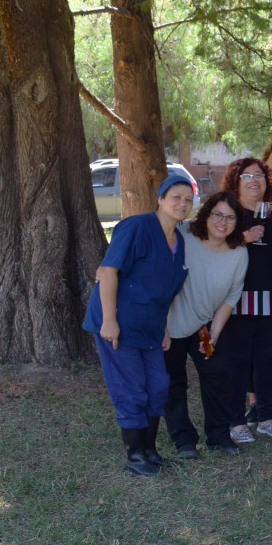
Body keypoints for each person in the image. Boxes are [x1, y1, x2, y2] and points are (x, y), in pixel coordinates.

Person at [84, 175, 193, 476]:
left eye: (188, 199)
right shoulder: (137, 227)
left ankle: (150, 451)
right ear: (160, 199)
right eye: (176, 197)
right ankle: (135, 457)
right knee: (131, 389)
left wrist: (165, 328)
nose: (183, 203)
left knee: (157, 386)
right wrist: (109, 321)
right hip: (119, 321)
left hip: (151, 327)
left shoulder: (178, 242)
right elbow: (107, 272)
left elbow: (165, 289)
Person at [165, 185, 249, 459]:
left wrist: (213, 333)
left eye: (230, 217)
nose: (222, 222)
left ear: (237, 223)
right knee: (174, 383)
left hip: (203, 324)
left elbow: (231, 297)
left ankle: (219, 436)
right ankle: (184, 440)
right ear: (206, 214)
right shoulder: (185, 234)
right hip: (169, 324)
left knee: (218, 375)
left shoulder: (238, 253)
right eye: (217, 214)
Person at [221, 158, 272, 438]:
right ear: (236, 181)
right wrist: (242, 238)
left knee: (267, 360)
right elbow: (211, 245)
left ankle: (265, 418)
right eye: (247, 175)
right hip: (236, 300)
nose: (255, 180)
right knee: (237, 361)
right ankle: (236, 422)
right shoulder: (227, 212)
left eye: (260, 175)